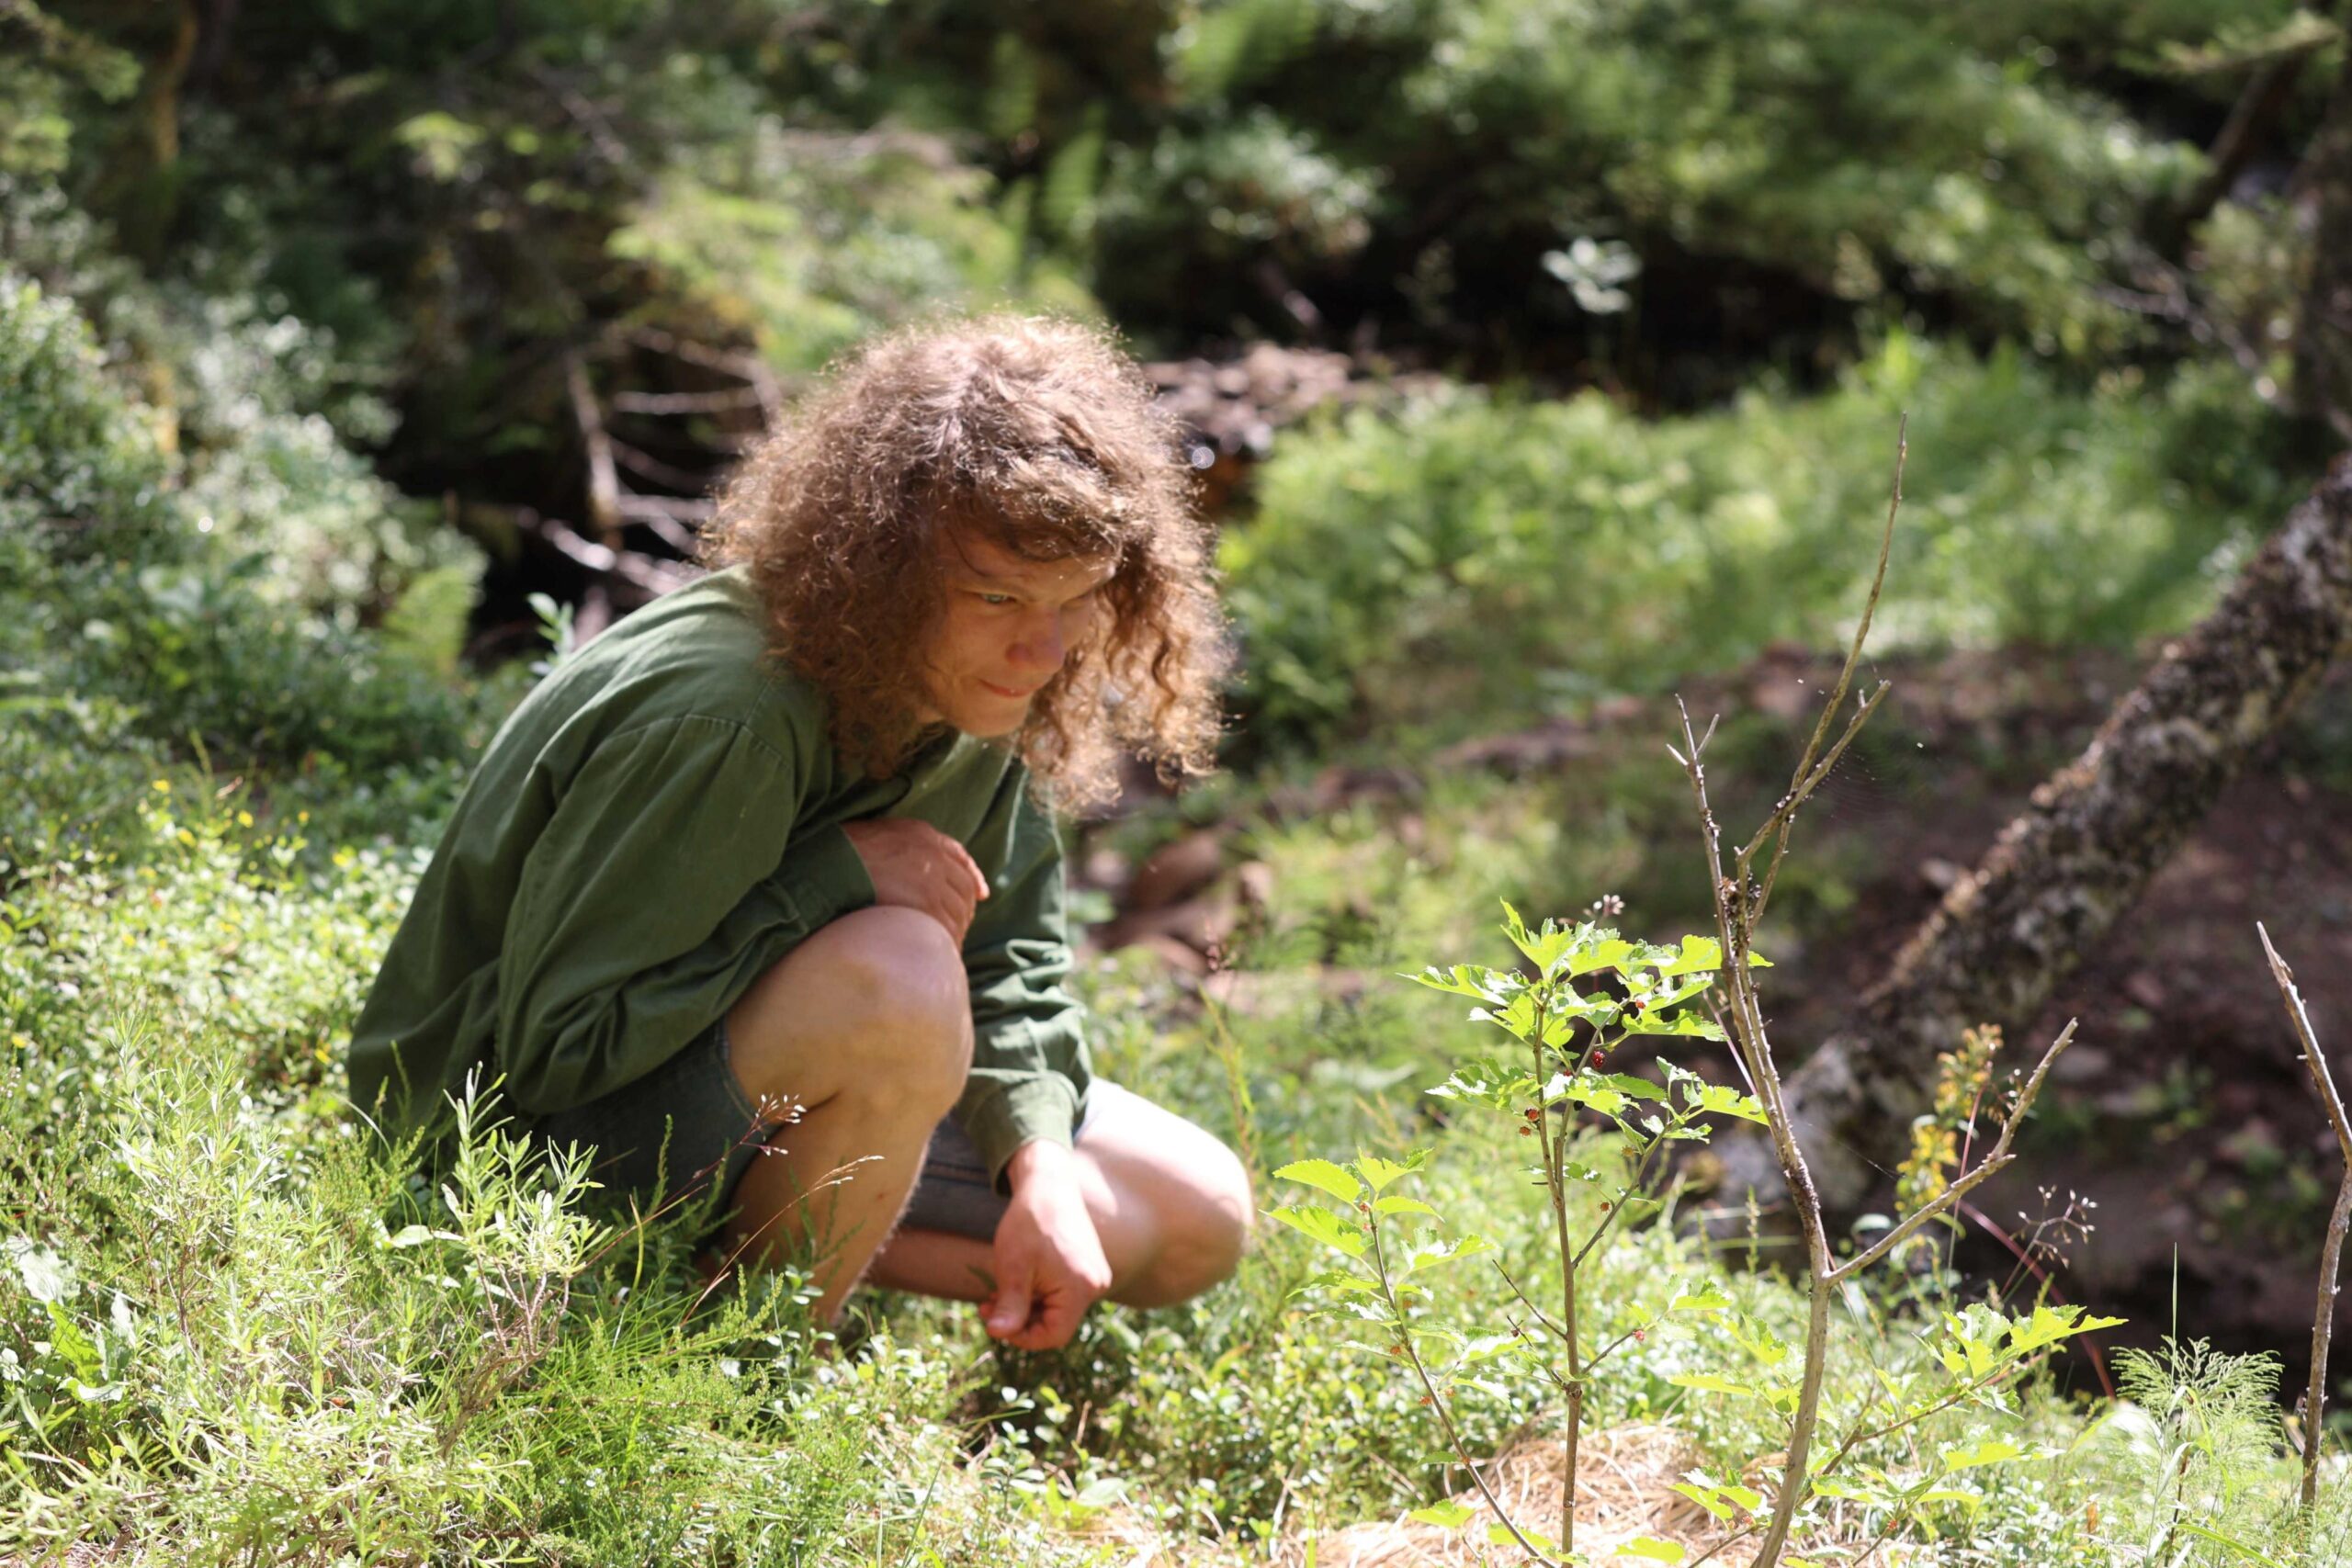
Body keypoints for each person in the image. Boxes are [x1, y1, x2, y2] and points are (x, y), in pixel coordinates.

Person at [348, 315, 1253, 1349]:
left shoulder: (982, 689)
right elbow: (561, 1050)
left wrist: (1036, 1166)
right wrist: (831, 882)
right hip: (494, 1165)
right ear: (883, 570)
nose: (1042, 647)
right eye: (996, 595)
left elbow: (1011, 957)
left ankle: (733, 1267)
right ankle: (723, 1375)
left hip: (720, 1103)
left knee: (1193, 1216)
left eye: (1076, 597)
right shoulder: (731, 716)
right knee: (900, 975)